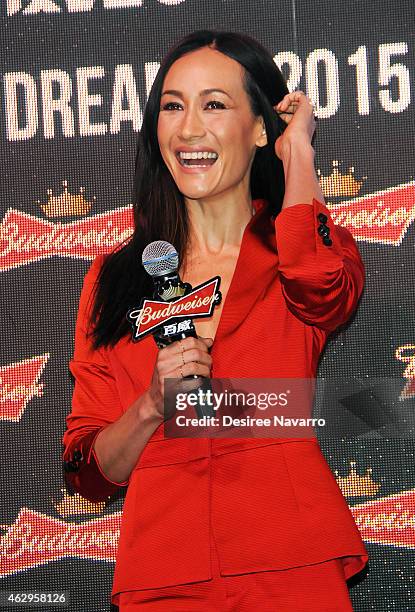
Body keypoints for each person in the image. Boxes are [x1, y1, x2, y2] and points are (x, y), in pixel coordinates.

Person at [62, 30, 369, 611]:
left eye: (215, 104)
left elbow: (321, 287)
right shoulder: (115, 278)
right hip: (164, 574)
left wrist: (297, 153)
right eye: (173, 106)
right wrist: (152, 403)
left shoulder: (298, 247)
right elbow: (86, 469)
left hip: (289, 558)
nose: (189, 129)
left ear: (260, 129)